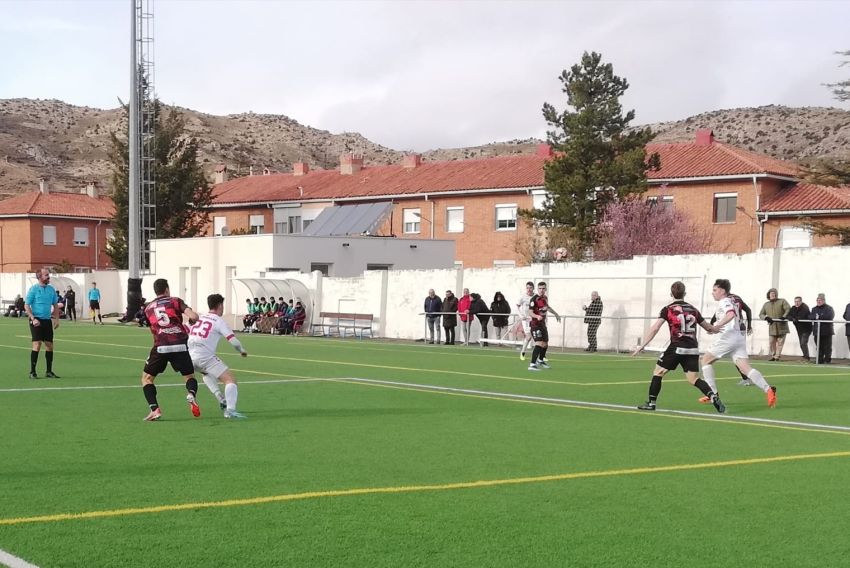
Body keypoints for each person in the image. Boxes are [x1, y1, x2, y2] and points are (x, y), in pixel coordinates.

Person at [632, 281, 724, 412]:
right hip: (692, 349)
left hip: (677, 347)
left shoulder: (668, 309)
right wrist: (716, 329)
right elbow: (707, 327)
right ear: (684, 294)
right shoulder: (693, 310)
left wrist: (642, 345)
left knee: (658, 372)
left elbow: (655, 328)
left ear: (671, 294)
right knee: (694, 379)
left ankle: (651, 403)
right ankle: (712, 396)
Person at [702, 279, 776, 408]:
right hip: (738, 337)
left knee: (705, 361)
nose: (712, 293)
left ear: (722, 291)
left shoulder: (724, 301)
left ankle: (712, 394)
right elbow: (734, 315)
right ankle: (768, 390)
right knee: (745, 368)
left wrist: (717, 325)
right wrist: (715, 327)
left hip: (728, 338)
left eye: (715, 290)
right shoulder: (731, 300)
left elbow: (730, 315)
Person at [140, 278, 201, 421]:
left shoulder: (148, 308)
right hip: (180, 344)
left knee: (147, 379)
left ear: (156, 291)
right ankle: (191, 394)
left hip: (161, 346)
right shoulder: (175, 301)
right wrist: (191, 321)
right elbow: (194, 316)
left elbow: (152, 329)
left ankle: (155, 409)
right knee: (189, 377)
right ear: (167, 289)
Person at [188, 293, 248, 419]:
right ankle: (230, 410)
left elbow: (188, 330)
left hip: (190, 356)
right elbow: (233, 341)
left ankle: (221, 399)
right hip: (205, 356)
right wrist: (242, 350)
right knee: (230, 380)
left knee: (206, 373)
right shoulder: (219, 321)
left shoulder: (199, 318)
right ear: (220, 305)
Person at [24, 268, 62, 379]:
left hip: (46, 320)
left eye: (48, 275)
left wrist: (56, 319)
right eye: (46, 275)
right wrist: (32, 318)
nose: (48, 277)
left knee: (49, 345)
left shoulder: (51, 290)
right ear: (40, 277)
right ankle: (32, 372)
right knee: (37, 344)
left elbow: (55, 305)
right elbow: (26, 305)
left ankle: (49, 371)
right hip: (36, 320)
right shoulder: (33, 290)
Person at [527, 281, 561, 370]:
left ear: (545, 289)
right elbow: (530, 312)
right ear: (537, 289)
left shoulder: (545, 298)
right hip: (535, 325)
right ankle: (532, 365)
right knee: (539, 343)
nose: (541, 290)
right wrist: (537, 316)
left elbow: (547, 307)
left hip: (542, 324)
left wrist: (556, 314)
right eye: (540, 288)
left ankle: (540, 360)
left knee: (545, 343)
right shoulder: (534, 299)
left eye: (543, 288)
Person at [759, 288, 791, 361]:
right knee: (771, 341)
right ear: (768, 294)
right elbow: (761, 314)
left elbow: (788, 308)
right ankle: (773, 355)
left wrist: (784, 316)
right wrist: (766, 317)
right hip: (772, 326)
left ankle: (777, 357)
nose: (773, 294)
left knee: (780, 342)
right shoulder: (766, 304)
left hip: (782, 326)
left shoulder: (782, 301)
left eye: (774, 293)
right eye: (771, 293)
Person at [811, 293, 834, 364]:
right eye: (817, 300)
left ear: (824, 300)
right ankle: (819, 360)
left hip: (826, 331)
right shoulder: (814, 309)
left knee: (827, 347)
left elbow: (829, 317)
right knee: (818, 347)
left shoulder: (829, 308)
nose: (818, 301)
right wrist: (817, 317)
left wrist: (818, 317)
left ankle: (827, 360)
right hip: (817, 331)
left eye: (820, 300)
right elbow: (810, 316)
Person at [788, 296, 812, 362]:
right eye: (795, 301)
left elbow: (802, 316)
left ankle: (807, 357)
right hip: (799, 328)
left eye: (798, 301)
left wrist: (795, 318)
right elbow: (789, 315)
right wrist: (793, 318)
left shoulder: (805, 307)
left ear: (801, 301)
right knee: (801, 343)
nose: (797, 303)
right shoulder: (793, 308)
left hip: (806, 328)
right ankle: (805, 356)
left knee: (803, 342)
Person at [516, 281, 535, 360]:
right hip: (526, 320)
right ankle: (523, 352)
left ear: (533, 288)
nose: (529, 289)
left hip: (534, 318)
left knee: (537, 337)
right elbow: (517, 306)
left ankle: (541, 356)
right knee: (528, 337)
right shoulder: (522, 297)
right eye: (527, 288)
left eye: (530, 288)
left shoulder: (535, 297)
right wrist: (521, 315)